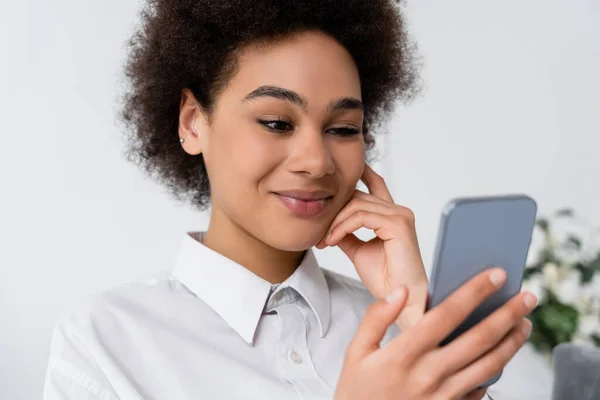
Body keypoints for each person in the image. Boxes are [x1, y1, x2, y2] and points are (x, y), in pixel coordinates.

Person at [43, 0, 538, 399]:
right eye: (277, 123)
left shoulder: (399, 327)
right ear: (194, 122)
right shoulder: (104, 342)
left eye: (343, 129)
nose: (316, 161)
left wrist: (424, 330)